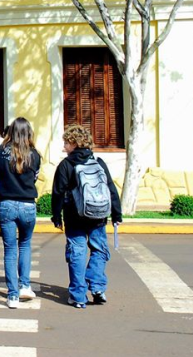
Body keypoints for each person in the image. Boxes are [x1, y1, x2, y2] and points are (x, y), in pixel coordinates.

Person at [51, 124, 122, 309]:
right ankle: (97, 287)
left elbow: (58, 192)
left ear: (74, 143)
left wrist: (56, 216)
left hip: (74, 218)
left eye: (66, 143)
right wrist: (116, 214)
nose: (64, 147)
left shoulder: (66, 165)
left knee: (77, 253)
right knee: (99, 250)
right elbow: (111, 189)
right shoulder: (98, 162)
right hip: (98, 217)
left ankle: (78, 296)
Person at [0, 117, 41, 309]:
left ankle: (12, 296)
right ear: (28, 132)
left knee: (10, 250)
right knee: (25, 244)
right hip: (28, 204)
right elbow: (34, 178)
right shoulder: (34, 154)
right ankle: (25, 285)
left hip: (6, 203)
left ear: (10, 131)